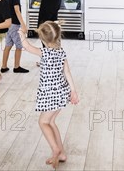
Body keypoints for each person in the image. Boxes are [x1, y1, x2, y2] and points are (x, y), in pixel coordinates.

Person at [19, 21, 79, 169]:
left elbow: (26, 46)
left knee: (43, 122)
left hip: (50, 95)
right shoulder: (61, 52)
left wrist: (21, 35)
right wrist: (73, 91)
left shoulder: (44, 52)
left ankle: (55, 149)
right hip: (61, 92)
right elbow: (67, 72)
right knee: (51, 122)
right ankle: (62, 154)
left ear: (43, 39)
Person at [0, 0, 29, 74]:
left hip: (6, 24)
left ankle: (4, 66)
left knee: (8, 45)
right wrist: (24, 25)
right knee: (19, 45)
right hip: (14, 25)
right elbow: (17, 11)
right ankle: (17, 67)